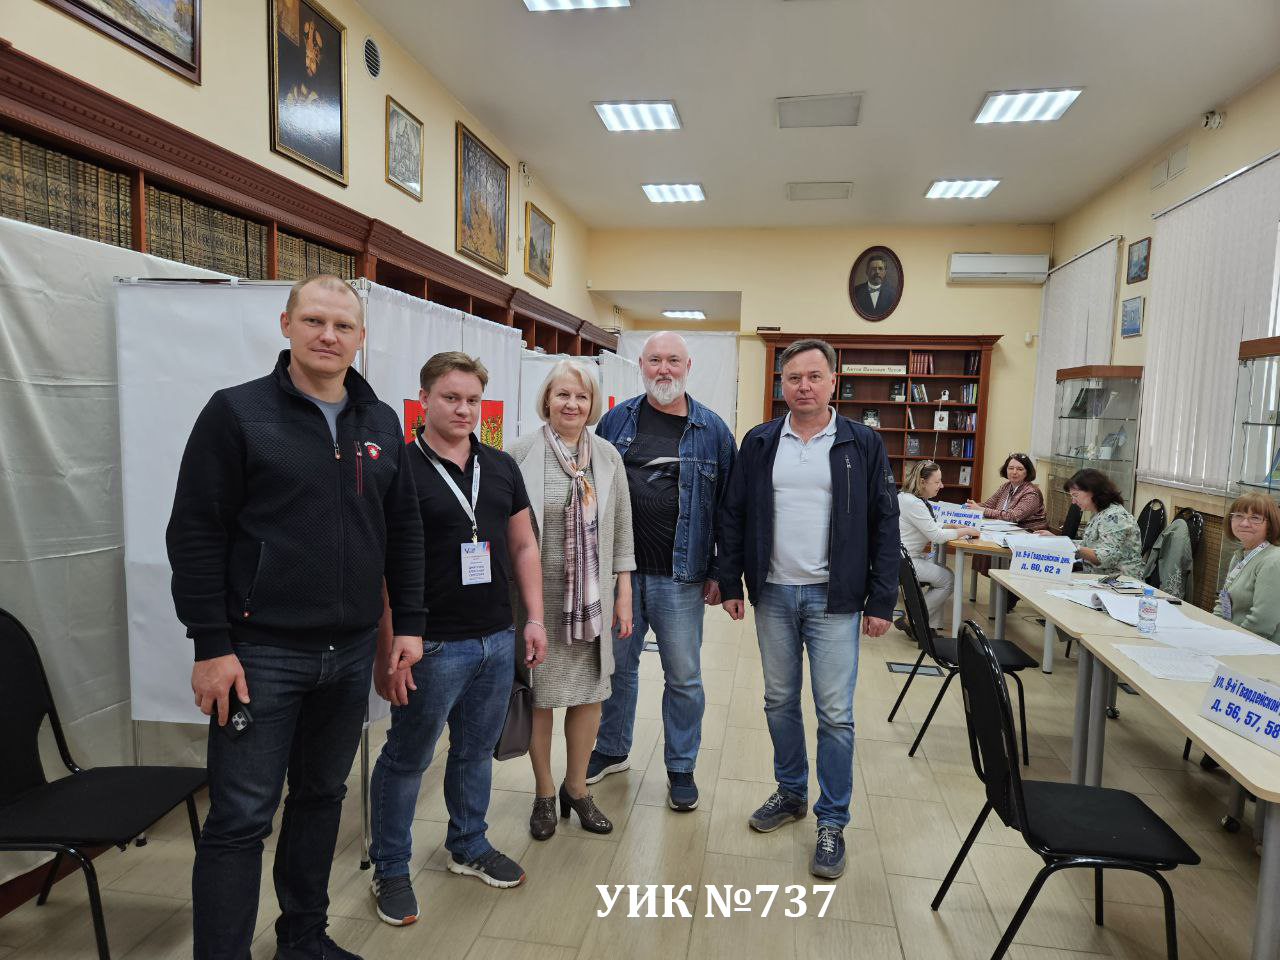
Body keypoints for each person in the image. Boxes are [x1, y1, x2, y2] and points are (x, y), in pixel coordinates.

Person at [166, 275, 426, 960]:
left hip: (349, 652)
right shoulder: (237, 412)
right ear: (286, 325)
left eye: (343, 325)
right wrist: (210, 644)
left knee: (320, 798)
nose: (327, 336)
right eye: (313, 320)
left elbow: (402, 533)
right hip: (259, 656)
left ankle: (303, 940)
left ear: (361, 337)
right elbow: (195, 533)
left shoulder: (381, 423)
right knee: (240, 819)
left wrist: (407, 625)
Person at [368, 352, 547, 927]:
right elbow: (382, 568)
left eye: (472, 400)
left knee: (475, 751)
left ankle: (468, 844)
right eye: (451, 398)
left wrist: (534, 619)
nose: (463, 409)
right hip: (430, 644)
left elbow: (523, 545)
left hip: (495, 636)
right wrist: (389, 649)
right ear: (424, 400)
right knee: (408, 758)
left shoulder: (499, 465)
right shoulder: (399, 466)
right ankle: (390, 868)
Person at [717, 338, 899, 880]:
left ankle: (832, 820)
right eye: (793, 377)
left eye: (814, 377)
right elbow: (733, 513)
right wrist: (730, 580)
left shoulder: (861, 442)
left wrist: (881, 598)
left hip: (834, 599)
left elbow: (884, 522)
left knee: (835, 713)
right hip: (773, 592)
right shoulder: (760, 441)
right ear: (782, 384)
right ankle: (792, 792)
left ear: (833, 382)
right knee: (778, 701)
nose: (804, 386)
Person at [589, 331, 737, 813]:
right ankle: (612, 748)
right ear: (641, 365)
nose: (664, 369)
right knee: (617, 668)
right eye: (655, 360)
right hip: (620, 575)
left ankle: (681, 766)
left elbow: (729, 509)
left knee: (684, 677)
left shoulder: (712, 431)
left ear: (688, 367)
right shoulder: (615, 420)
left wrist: (722, 572)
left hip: (681, 576)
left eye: (674, 360)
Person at [509, 360, 636, 839]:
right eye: (563, 394)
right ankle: (544, 792)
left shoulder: (607, 456)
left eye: (581, 397)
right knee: (540, 696)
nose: (572, 404)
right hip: (536, 603)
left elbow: (622, 528)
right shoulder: (519, 453)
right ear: (547, 399)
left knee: (589, 695)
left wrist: (624, 594)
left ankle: (577, 788)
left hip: (592, 602)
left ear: (593, 404)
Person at [896, 460, 980, 633]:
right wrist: (965, 530)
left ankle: (926, 626)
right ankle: (912, 620)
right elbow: (936, 536)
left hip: (901, 557)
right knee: (947, 580)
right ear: (922, 482)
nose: (941, 486)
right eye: (937, 482)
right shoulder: (914, 503)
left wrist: (951, 526)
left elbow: (927, 524)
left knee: (943, 572)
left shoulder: (907, 498)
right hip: (901, 561)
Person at [964, 452, 1048, 603]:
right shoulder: (1006, 487)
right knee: (981, 539)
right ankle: (1003, 590)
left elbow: (1014, 516)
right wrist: (970, 507)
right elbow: (988, 505)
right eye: (1011, 468)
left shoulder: (1032, 492)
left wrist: (981, 510)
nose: (1014, 472)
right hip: (1005, 531)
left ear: (1027, 472)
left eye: (1020, 469)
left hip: (1028, 534)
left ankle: (1008, 592)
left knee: (989, 541)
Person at [1039, 468, 1142, 577]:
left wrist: (1068, 545)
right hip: (1099, 577)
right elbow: (1089, 545)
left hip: (1120, 581)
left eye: (1075, 495)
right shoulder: (1099, 513)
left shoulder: (1115, 516)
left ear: (1093, 491)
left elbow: (1106, 558)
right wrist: (1058, 540)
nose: (1073, 501)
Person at [1214, 493, 1280, 644]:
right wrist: (1212, 629)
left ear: (1270, 524)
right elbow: (1224, 601)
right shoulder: (1240, 556)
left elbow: (1262, 622)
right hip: (1231, 638)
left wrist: (1229, 643)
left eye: (1255, 518)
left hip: (1259, 648)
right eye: (1238, 516)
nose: (1244, 523)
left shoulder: (1274, 561)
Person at [852, 254, 898, 319]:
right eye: (873, 269)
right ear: (867, 271)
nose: (877, 272)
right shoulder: (856, 291)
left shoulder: (893, 294)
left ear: (885, 272)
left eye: (880, 268)